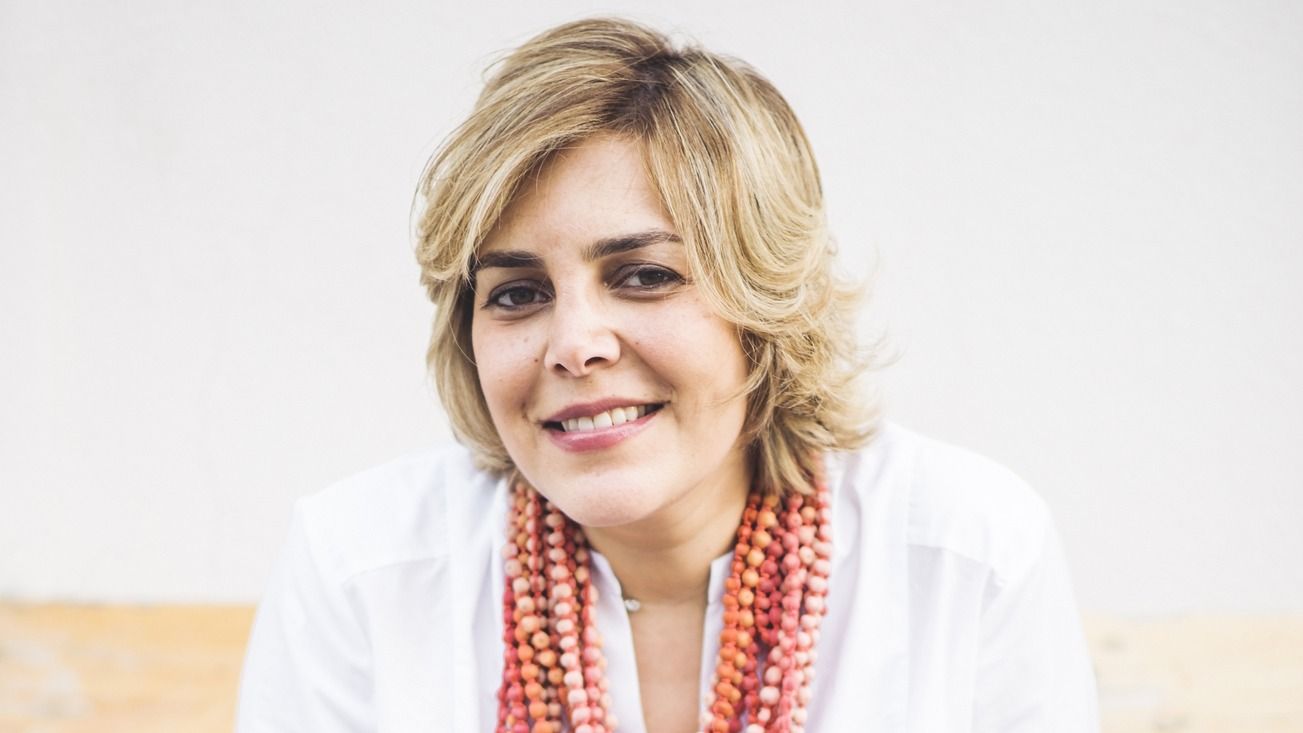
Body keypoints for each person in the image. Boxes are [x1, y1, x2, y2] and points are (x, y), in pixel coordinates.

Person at [235, 17, 1099, 733]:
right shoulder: (360, 571)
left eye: (644, 274)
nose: (574, 344)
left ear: (764, 305)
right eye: (519, 292)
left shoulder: (963, 557)